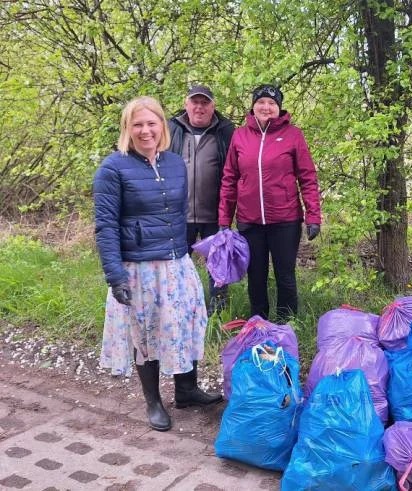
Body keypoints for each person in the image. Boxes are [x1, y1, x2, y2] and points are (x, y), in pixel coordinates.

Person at [94, 96, 222, 432]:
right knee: (146, 332)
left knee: (187, 320)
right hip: (138, 267)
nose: (145, 130)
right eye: (137, 124)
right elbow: (105, 226)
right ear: (127, 129)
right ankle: (153, 401)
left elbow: (180, 215)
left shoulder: (175, 163)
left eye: (151, 123)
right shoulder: (113, 168)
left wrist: (198, 249)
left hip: (176, 262)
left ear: (162, 126)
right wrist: (115, 276)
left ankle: (187, 389)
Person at [218, 84, 322, 321]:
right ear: (253, 106)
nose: (266, 107)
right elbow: (229, 178)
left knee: (285, 275)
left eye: (272, 103)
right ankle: (259, 323)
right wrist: (224, 219)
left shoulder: (294, 136)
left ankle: (287, 324)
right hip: (249, 220)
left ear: (279, 108)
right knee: (256, 275)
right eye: (261, 102)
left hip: (285, 220)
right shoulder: (240, 136)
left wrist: (313, 216)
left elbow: (308, 177)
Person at [168, 85, 234, 314]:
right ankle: (181, 311)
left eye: (204, 103)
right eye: (194, 102)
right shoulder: (172, 129)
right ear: (186, 104)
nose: (199, 107)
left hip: (215, 214)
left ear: (213, 107)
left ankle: (218, 313)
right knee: (176, 267)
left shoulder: (225, 131)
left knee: (218, 269)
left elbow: (234, 171)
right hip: (178, 215)